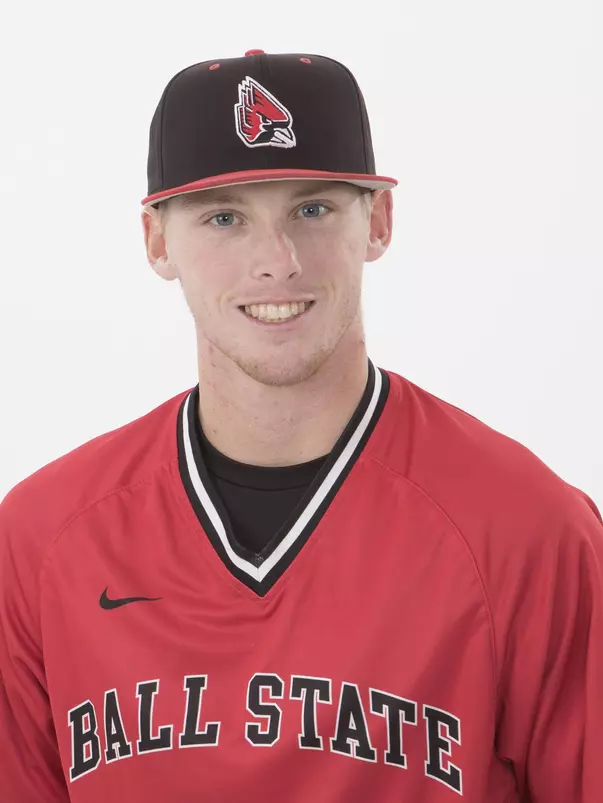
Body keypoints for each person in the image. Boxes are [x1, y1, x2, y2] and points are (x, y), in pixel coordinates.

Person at [0, 48, 602, 803]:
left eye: (311, 210)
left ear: (377, 222)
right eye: (224, 217)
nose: (276, 261)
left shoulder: (527, 530)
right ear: (157, 241)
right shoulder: (40, 539)